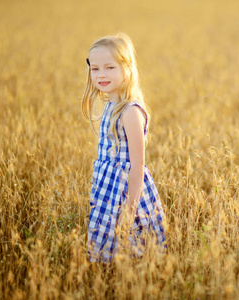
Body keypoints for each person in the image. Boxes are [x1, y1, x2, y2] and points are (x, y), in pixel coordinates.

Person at [81, 33, 165, 262]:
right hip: (108, 192)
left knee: (130, 251)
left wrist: (129, 211)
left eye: (110, 67)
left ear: (127, 69)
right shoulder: (111, 106)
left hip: (127, 194)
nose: (101, 74)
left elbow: (138, 166)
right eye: (95, 68)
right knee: (109, 253)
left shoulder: (130, 111)